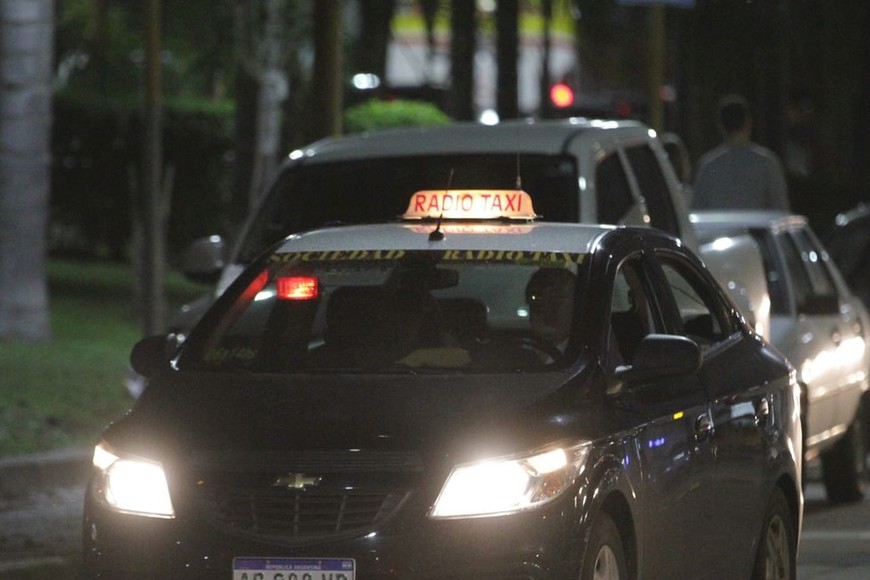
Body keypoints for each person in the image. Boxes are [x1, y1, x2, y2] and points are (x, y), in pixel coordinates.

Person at [691, 94, 791, 212]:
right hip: (756, 230)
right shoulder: (767, 163)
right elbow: (780, 210)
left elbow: (697, 210)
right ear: (748, 124)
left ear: (720, 126)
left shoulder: (708, 165)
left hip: (717, 230)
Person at [525, 267, 576, 351]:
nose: (545, 309)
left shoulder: (584, 356)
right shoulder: (515, 353)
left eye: (555, 301)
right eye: (537, 299)